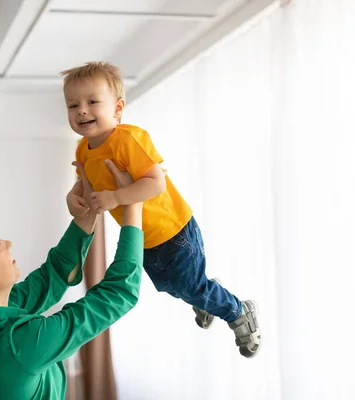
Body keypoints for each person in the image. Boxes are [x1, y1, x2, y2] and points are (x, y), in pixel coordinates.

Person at [61, 61, 262, 358]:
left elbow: (155, 183)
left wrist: (116, 197)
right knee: (171, 286)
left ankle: (238, 311)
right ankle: (205, 294)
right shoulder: (82, 149)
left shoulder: (127, 139)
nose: (81, 110)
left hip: (172, 228)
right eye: (72, 104)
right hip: (144, 238)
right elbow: (84, 181)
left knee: (188, 284)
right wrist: (72, 197)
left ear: (117, 108)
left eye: (92, 102)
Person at [0, 165, 142, 400]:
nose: (8, 243)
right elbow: (118, 293)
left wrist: (87, 208)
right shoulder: (18, 345)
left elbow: (52, 277)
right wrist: (133, 205)